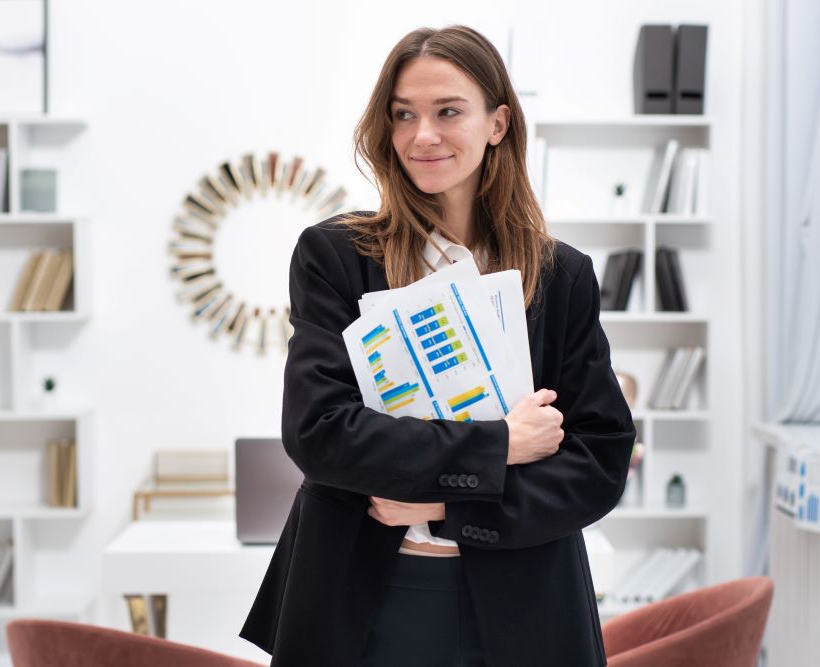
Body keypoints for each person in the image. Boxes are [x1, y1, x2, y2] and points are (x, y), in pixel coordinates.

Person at [239, 24, 636, 667]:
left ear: (497, 123)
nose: (422, 135)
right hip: (361, 600)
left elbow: (598, 462)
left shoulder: (560, 275)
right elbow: (320, 432)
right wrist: (502, 444)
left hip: (524, 606)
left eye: (448, 111)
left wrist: (446, 503)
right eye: (403, 114)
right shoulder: (335, 256)